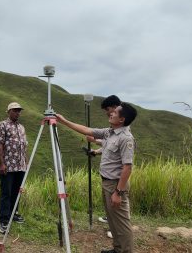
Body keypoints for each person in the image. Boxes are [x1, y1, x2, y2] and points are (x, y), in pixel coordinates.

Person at [56, 102, 137, 253]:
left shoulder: (126, 138)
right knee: (112, 220)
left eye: (115, 112)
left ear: (122, 119)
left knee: (122, 224)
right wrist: (64, 121)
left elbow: (128, 167)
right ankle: (117, 249)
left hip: (116, 185)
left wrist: (118, 192)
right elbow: (87, 130)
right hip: (107, 183)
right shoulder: (109, 132)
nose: (111, 113)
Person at [87, 95, 122, 238]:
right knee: (111, 207)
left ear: (115, 107)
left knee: (117, 207)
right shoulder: (112, 130)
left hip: (115, 177)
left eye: (108, 110)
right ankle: (114, 228)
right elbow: (108, 145)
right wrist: (95, 149)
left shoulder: (122, 130)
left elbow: (127, 164)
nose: (107, 113)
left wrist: (95, 141)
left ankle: (118, 233)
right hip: (107, 177)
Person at [0, 102, 28, 234]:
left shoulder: (21, 127)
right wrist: (2, 164)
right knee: (6, 192)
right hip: (8, 166)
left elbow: (24, 146)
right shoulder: (2, 125)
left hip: (20, 166)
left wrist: (27, 163)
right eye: (15, 110)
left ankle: (13, 213)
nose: (17, 113)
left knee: (16, 191)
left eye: (19, 111)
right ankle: (4, 219)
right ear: (8, 111)